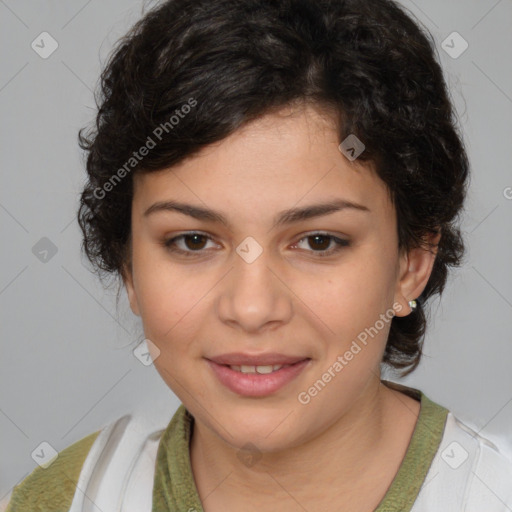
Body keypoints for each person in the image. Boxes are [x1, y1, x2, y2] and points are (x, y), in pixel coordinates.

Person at [4, 0, 512, 510]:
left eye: (318, 241)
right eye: (193, 241)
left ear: (412, 263)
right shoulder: (61, 500)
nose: (251, 308)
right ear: (129, 266)